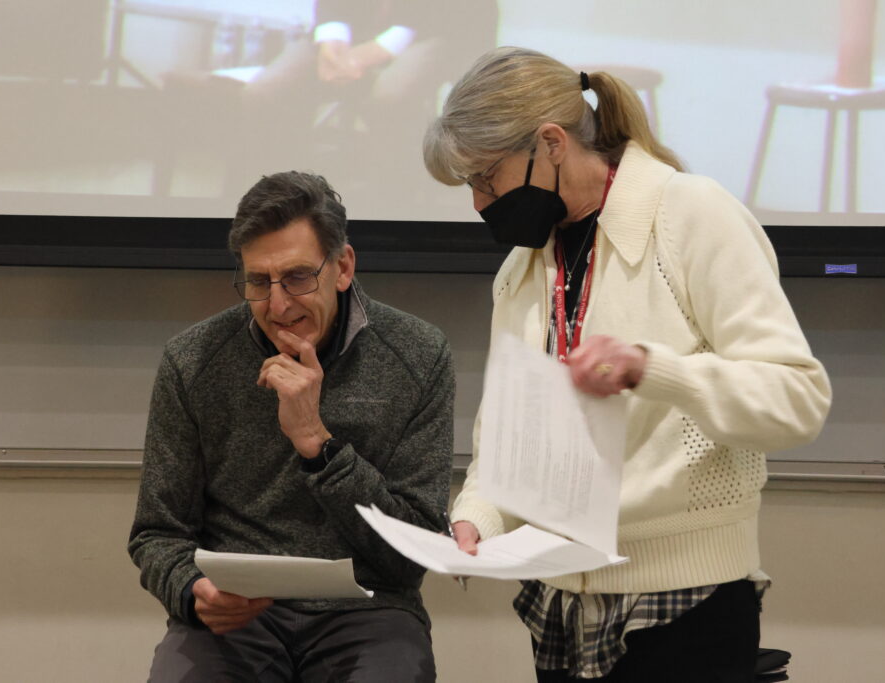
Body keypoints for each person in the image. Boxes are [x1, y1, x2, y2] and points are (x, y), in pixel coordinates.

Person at [423, 47, 832, 682]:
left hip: (685, 603)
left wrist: (652, 368)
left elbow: (795, 400)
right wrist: (478, 514)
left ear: (551, 143)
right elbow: (506, 438)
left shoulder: (691, 213)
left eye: (486, 179)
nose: (480, 204)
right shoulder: (524, 269)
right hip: (558, 604)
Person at [128, 171, 454, 682]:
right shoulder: (193, 361)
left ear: (343, 267)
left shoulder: (418, 354)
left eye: (299, 277)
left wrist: (317, 445)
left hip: (369, 610)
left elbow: (412, 553)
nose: (278, 306)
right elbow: (158, 532)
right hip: (240, 614)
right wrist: (194, 591)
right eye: (259, 282)